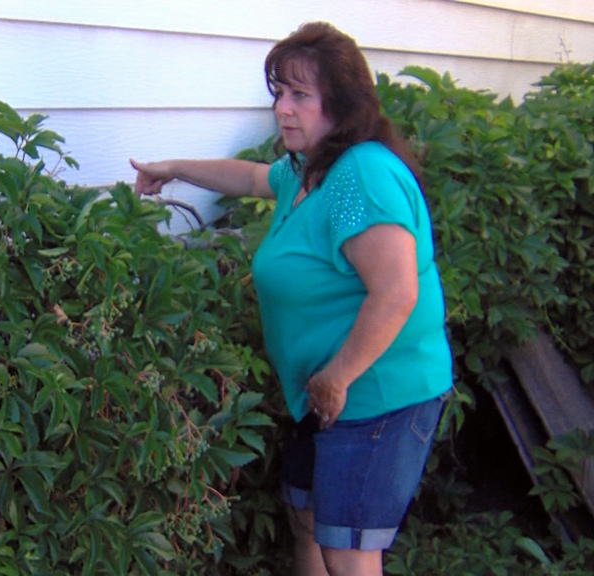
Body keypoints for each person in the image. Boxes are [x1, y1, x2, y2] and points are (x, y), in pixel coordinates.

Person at [129, 21, 453, 576]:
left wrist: (338, 376)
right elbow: (254, 178)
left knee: (348, 550)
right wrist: (173, 167)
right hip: (323, 392)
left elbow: (397, 292)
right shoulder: (309, 169)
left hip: (372, 392)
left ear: (342, 103)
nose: (283, 108)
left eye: (300, 95)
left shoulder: (362, 174)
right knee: (307, 522)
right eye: (279, 93)